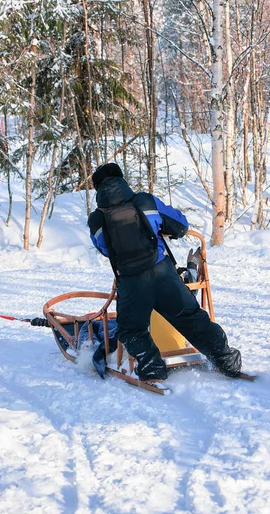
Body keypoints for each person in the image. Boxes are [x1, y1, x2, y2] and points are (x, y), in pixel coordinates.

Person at [87, 162, 242, 382]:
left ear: (98, 188)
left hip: (131, 283)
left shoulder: (96, 219)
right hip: (162, 273)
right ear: (122, 180)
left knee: (131, 330)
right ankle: (226, 359)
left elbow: (103, 248)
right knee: (191, 318)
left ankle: (152, 367)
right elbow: (180, 225)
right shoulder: (144, 201)